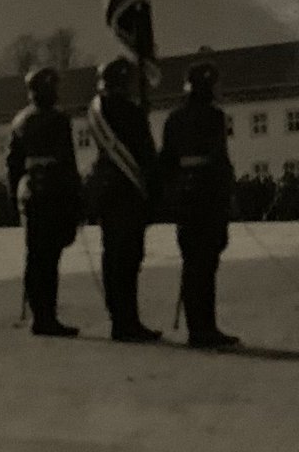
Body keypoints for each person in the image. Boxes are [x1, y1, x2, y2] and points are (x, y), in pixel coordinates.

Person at [160, 62, 240, 348]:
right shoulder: (215, 117)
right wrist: (228, 192)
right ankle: (204, 328)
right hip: (208, 195)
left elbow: (166, 161)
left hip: (185, 197)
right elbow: (220, 159)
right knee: (206, 262)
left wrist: (172, 195)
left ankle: (199, 326)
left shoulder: (173, 118)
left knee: (192, 261)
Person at [87, 57, 162, 342]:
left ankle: (118, 318)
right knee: (128, 258)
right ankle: (127, 322)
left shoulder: (96, 109)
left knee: (111, 256)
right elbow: (145, 154)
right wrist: (155, 193)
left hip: (106, 191)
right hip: (128, 191)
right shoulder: (131, 111)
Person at [6, 66, 82, 337]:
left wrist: (13, 196)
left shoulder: (19, 120)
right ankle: (46, 317)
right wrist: (76, 198)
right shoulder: (58, 119)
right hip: (54, 193)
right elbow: (68, 162)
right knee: (49, 258)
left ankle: (39, 314)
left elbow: (13, 165)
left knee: (35, 255)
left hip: (30, 193)